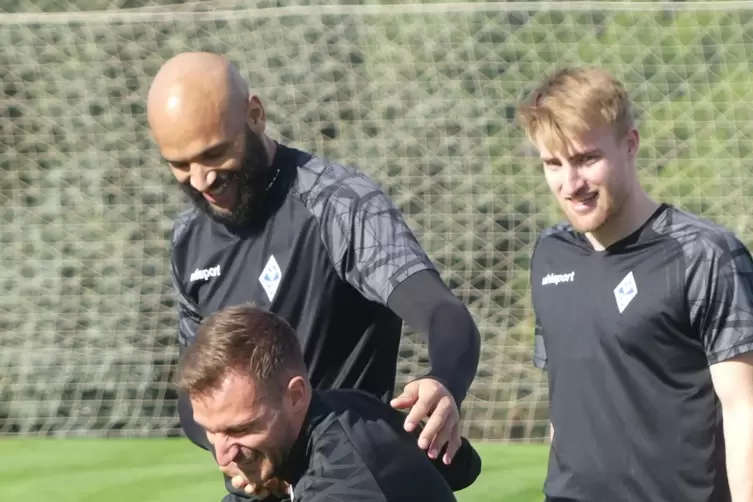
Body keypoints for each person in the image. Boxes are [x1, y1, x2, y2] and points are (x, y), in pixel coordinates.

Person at [145, 51, 481, 501]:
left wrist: (445, 382)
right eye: (180, 164)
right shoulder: (189, 239)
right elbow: (195, 390)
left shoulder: (335, 205)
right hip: (261, 484)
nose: (202, 179)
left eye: (215, 153)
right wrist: (235, 450)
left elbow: (441, 311)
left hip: (348, 473)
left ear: (255, 116)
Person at [517, 66, 753, 502]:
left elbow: (745, 410)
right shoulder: (549, 253)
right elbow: (567, 400)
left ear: (630, 145)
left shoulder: (706, 254)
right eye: (554, 164)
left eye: (587, 159)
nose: (571, 185)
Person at [174, 305, 482, 502]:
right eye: (211, 431)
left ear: (296, 395)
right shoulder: (350, 408)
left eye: (240, 428)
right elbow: (464, 468)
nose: (222, 456)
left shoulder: (341, 485)